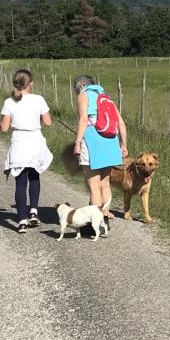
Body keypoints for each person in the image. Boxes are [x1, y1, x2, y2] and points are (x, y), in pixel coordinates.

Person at [73, 75, 127, 234]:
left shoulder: (84, 95)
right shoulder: (106, 97)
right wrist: (123, 145)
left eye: (76, 88)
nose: (76, 91)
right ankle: (104, 219)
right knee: (105, 183)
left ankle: (94, 225)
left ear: (81, 85)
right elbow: (121, 123)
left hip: (92, 143)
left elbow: (83, 119)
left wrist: (77, 142)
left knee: (94, 186)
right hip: (111, 142)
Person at [0, 69, 53, 234]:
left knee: (20, 183)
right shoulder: (38, 99)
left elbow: (4, 128)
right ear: (30, 83)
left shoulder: (9, 102)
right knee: (34, 177)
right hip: (35, 142)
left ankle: (22, 220)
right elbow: (48, 122)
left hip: (19, 144)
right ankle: (34, 211)